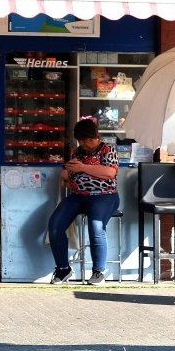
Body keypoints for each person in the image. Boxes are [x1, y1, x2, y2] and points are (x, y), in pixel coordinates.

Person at [47, 118, 120, 285]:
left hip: (104, 195)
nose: (83, 144)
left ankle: (98, 272)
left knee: (96, 227)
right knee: (55, 226)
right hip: (78, 195)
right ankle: (63, 269)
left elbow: (110, 173)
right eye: (81, 141)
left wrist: (83, 168)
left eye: (85, 140)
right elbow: (70, 170)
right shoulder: (77, 151)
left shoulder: (108, 150)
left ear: (93, 137)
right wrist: (66, 173)